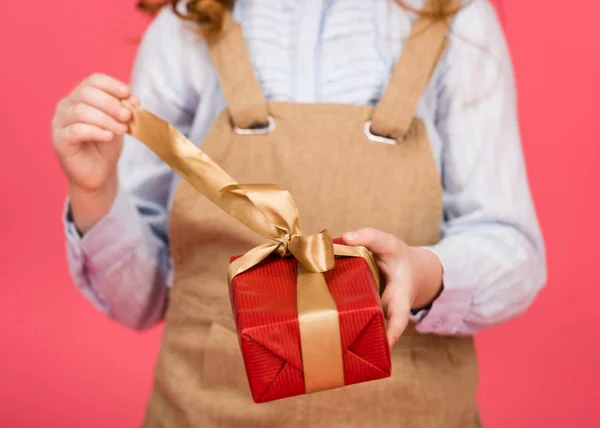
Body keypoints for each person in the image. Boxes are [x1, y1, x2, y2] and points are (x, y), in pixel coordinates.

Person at [51, 0, 547, 426]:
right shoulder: (185, 29)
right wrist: (96, 192)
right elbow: (141, 300)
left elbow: (510, 246)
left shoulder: (460, 23)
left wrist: (425, 274)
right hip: (202, 411)